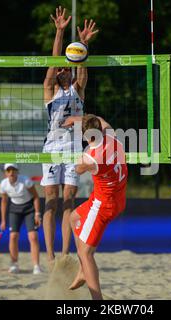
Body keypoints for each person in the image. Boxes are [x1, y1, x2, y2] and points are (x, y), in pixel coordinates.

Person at [41, 6, 98, 263]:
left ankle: (64, 254)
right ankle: (50, 254)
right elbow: (54, 63)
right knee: (51, 199)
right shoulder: (50, 89)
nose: (64, 70)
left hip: (75, 149)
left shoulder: (78, 90)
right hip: (52, 150)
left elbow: (82, 71)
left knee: (68, 199)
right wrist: (60, 33)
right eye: (61, 68)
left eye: (67, 68)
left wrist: (83, 45)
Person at [62, 114, 127, 300]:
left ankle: (97, 299)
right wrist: (76, 118)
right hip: (117, 197)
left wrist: (76, 152)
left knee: (86, 252)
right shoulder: (112, 136)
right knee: (73, 217)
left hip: (103, 205)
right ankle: (83, 270)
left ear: (85, 135)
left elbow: (77, 168)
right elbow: (100, 119)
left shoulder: (91, 157)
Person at [0, 163, 42, 275]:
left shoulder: (25, 181)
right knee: (13, 236)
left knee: (33, 236)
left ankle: (36, 266)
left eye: (13, 170)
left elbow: (36, 197)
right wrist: (3, 220)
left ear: (17, 171)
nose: (11, 173)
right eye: (8, 170)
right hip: (14, 209)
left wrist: (37, 213)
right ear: (5, 173)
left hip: (29, 208)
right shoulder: (3, 184)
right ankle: (14, 264)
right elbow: (4, 202)